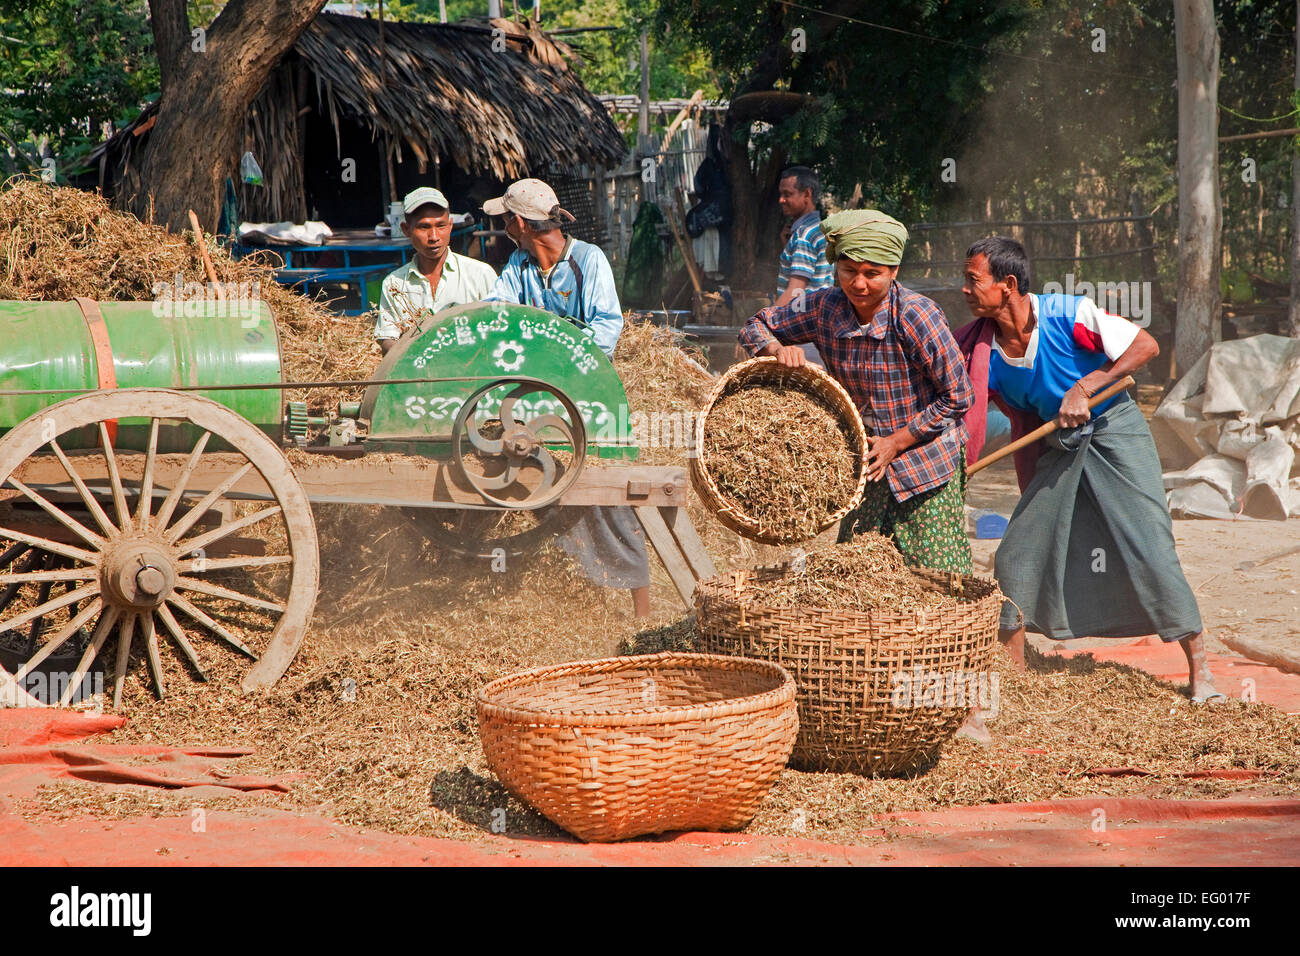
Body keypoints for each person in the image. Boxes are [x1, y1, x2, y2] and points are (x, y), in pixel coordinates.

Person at [957, 235, 1222, 703]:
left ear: (1008, 284)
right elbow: (968, 412)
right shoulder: (980, 352)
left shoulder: (1067, 313)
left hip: (1115, 431)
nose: (964, 290)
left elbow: (1146, 346)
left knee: (1149, 544)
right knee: (1016, 553)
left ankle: (1202, 672)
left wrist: (1085, 385)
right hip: (1058, 442)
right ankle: (1014, 679)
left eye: (972, 280)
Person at [738, 210, 974, 573]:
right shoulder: (822, 306)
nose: (859, 284)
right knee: (856, 574)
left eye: (872, 274)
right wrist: (776, 349)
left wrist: (897, 441)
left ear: (893, 271)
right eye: (849, 271)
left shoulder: (916, 316)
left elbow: (959, 395)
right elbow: (756, 324)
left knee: (937, 578)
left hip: (926, 465)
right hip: (865, 465)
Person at [482, 178, 650, 617]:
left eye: (505, 219)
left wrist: (551, 355)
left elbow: (606, 333)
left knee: (607, 493)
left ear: (518, 222)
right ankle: (577, 589)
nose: (504, 227)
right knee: (542, 479)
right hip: (536, 395)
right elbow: (497, 315)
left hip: (587, 388)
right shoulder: (518, 268)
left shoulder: (588, 261)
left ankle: (642, 603)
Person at [374, 187, 497, 354]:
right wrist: (415, 357)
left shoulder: (480, 274)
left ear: (450, 226)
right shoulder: (394, 283)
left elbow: (498, 329)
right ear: (406, 229)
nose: (434, 237)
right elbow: (388, 339)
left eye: (441, 226)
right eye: (424, 227)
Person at [773, 166, 833, 308]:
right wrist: (787, 246)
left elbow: (795, 290)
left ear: (807, 194)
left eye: (787, 194)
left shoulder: (805, 235)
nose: (781, 200)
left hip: (801, 321)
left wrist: (766, 322)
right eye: (780, 194)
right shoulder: (819, 229)